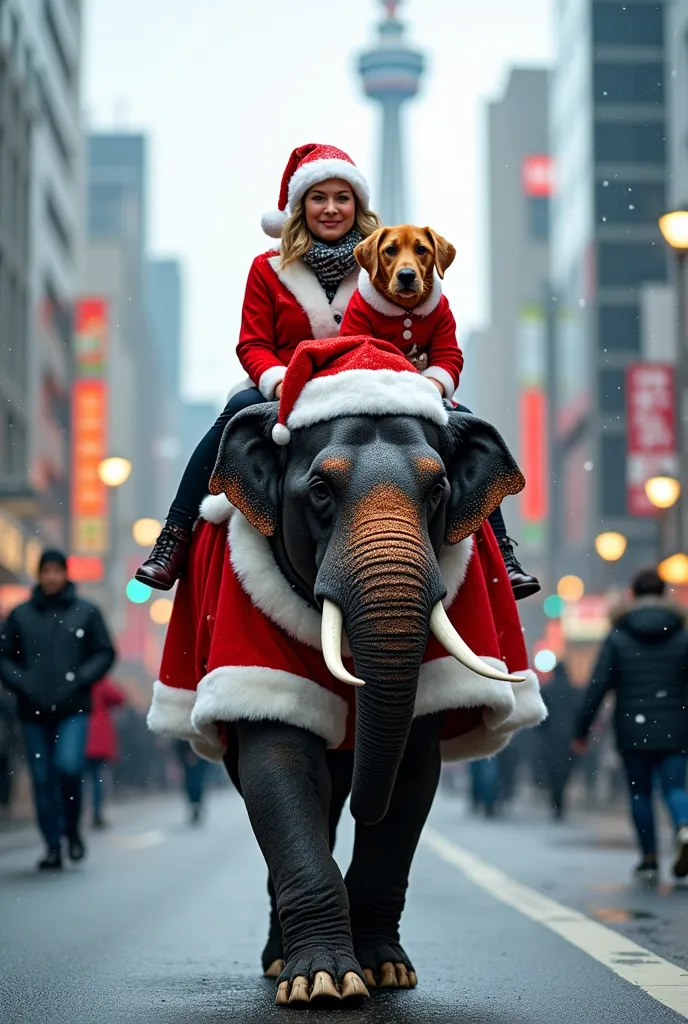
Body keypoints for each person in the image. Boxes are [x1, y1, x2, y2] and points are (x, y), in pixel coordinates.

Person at [135, 143, 540, 600]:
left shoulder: (386, 260)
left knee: (464, 430)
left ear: (358, 205)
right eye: (318, 197)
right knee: (234, 416)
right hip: (286, 388)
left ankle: (501, 554)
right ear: (299, 206)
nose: (331, 208)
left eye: (342, 197)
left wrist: (426, 379)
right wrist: (278, 380)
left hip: (371, 386)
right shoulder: (267, 270)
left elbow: (430, 339)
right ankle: (174, 536)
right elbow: (252, 343)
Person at [0, 550, 116, 869]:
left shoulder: (86, 612)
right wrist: (22, 682)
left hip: (73, 708)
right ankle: (52, 845)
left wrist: (80, 678)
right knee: (41, 777)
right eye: (45, 571)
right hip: (32, 710)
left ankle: (71, 830)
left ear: (65, 573)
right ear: (38, 574)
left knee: (68, 767)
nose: (51, 576)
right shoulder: (20, 615)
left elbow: (105, 652)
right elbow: (4, 656)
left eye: (56, 570)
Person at [573, 568, 688, 881]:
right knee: (675, 787)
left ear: (633, 595)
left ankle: (649, 860)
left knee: (640, 794)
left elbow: (598, 685)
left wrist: (581, 730)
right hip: (677, 726)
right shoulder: (682, 634)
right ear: (665, 594)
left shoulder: (618, 636)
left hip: (632, 729)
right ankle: (684, 826)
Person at [538, 659, 580, 820]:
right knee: (565, 771)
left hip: (551, 738)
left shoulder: (547, 690)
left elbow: (541, 717)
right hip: (569, 738)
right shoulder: (574, 691)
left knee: (553, 771)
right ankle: (560, 800)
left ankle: (556, 801)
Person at [85, 677, 126, 828]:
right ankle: (96, 811)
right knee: (97, 777)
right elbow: (119, 698)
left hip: (79, 735)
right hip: (97, 738)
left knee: (79, 776)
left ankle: (78, 810)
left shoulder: (74, 676)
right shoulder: (98, 680)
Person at [173, 738, 208, 825]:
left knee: (195, 781)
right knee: (192, 781)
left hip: (198, 751)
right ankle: (194, 804)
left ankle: (195, 804)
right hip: (190, 751)